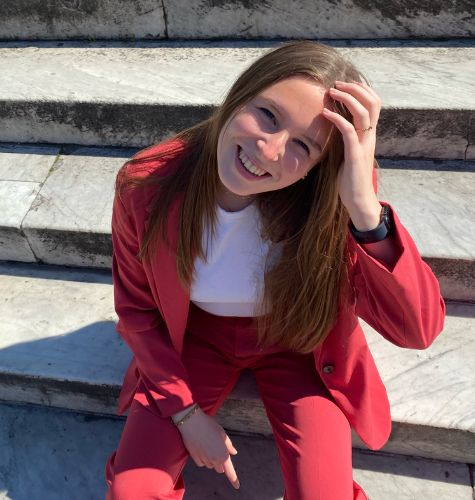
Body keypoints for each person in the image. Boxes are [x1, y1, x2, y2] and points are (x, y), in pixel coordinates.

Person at [104, 40, 445, 499]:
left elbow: (417, 329)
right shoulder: (149, 183)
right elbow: (138, 313)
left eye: (303, 145)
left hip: (298, 341)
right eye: (267, 114)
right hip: (196, 339)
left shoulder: (332, 198)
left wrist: (365, 212)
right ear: (240, 93)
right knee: (133, 490)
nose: (269, 150)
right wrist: (185, 414)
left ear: (318, 166)